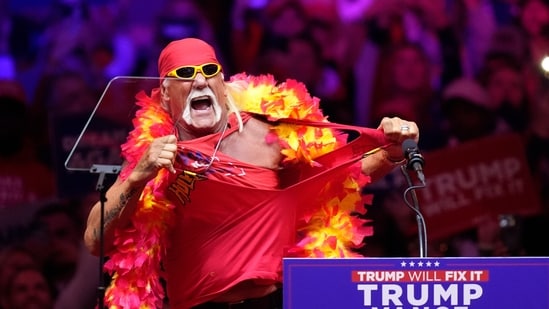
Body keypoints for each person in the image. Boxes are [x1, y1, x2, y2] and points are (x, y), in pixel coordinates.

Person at [83, 37, 419, 309]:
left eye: (208, 70)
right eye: (185, 73)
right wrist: (140, 174)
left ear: (222, 83)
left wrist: (393, 150)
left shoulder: (265, 135)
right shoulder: (153, 154)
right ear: (166, 93)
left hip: (272, 302)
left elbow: (336, 178)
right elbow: (95, 240)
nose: (199, 80)